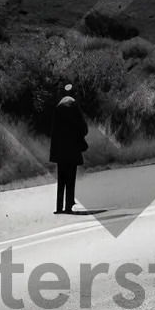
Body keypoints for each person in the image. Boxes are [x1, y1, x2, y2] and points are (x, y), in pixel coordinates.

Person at [49, 83, 88, 214]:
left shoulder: (58, 107)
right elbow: (83, 129)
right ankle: (69, 205)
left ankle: (59, 207)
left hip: (59, 150)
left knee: (61, 179)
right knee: (71, 178)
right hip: (72, 149)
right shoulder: (73, 106)